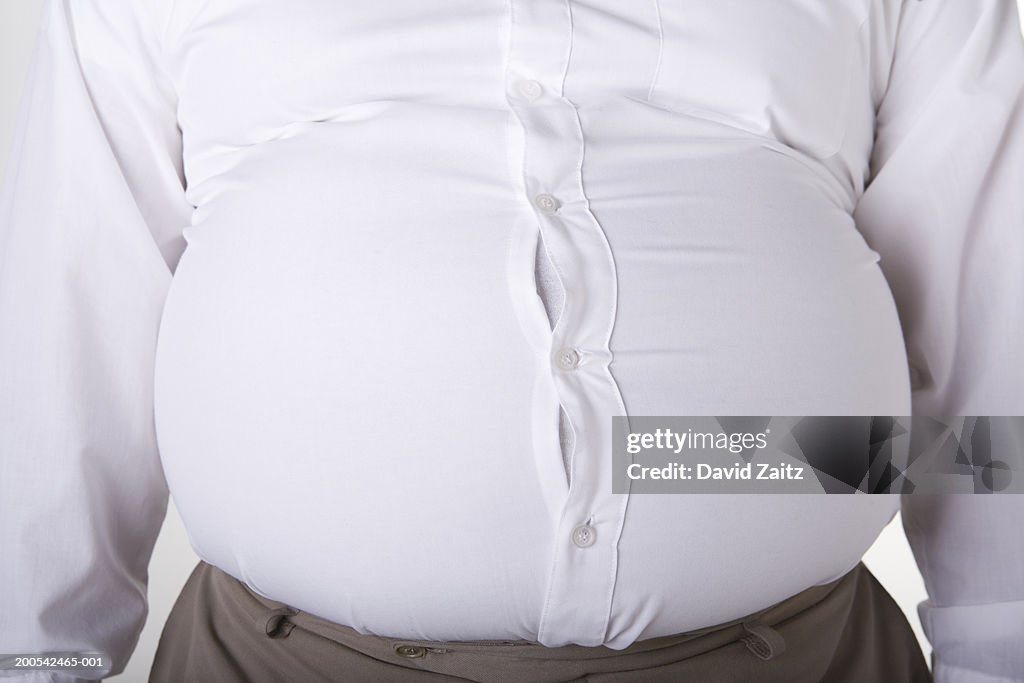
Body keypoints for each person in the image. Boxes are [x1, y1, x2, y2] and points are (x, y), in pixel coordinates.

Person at [1, 0, 1022, 681]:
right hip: (282, 658)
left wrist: (999, 651)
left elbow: (986, 312)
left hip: (795, 650)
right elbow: (70, 330)